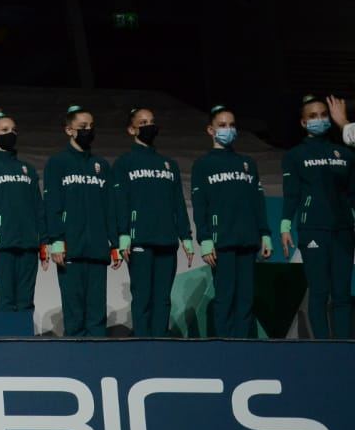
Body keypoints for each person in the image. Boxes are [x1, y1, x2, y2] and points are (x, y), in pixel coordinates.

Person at [112, 108, 194, 337]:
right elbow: (120, 201)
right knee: (143, 297)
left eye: (152, 121)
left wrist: (186, 237)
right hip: (140, 241)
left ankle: (160, 343)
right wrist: (123, 235)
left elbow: (178, 203)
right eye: (143, 122)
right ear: (132, 129)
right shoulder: (124, 163)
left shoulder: (169, 164)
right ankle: (142, 344)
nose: (149, 126)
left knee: (163, 298)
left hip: (167, 241)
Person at [190, 106, 272, 338]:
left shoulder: (248, 163)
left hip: (248, 240)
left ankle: (243, 347)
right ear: (211, 130)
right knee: (225, 297)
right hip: (221, 242)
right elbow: (200, 205)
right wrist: (205, 239)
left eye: (232, 125)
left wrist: (265, 233)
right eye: (222, 125)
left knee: (245, 299)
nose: (228, 129)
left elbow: (258, 202)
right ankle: (224, 347)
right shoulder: (203, 164)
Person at [280, 95, 355, 339]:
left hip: (343, 230)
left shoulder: (345, 154)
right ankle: (322, 349)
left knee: (342, 294)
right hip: (312, 229)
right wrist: (285, 226)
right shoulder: (295, 155)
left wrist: (344, 124)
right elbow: (291, 194)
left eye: (323, 114)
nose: (319, 119)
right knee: (319, 292)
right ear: (303, 123)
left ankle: (344, 348)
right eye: (313, 116)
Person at [43, 106, 120, 337]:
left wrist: (115, 243)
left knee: (97, 315)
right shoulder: (57, 163)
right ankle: (75, 356)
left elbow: (110, 207)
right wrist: (56, 240)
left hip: (97, 249)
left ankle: (99, 356)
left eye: (91, 126)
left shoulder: (101, 165)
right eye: (82, 127)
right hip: (70, 249)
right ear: (69, 130)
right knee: (74, 315)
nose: (88, 130)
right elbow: (52, 205)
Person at [0, 110, 47, 319]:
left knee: (26, 301)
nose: (10, 134)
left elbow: (38, 208)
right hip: (3, 244)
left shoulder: (28, 169)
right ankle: (6, 339)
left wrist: (44, 242)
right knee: (6, 301)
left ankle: (25, 339)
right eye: (4, 130)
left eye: (14, 130)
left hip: (29, 245)